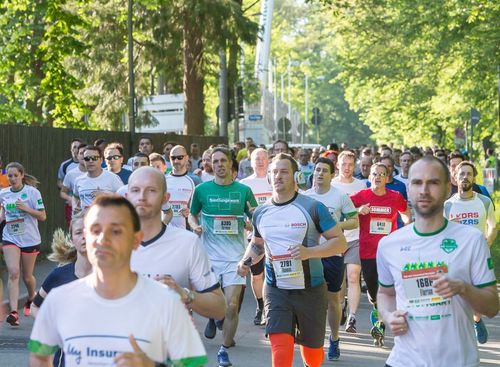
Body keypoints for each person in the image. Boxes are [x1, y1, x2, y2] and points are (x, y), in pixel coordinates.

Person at [28, 195, 207, 367]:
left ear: (136, 240)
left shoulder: (165, 302)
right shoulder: (58, 298)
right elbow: (39, 358)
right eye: (95, 230)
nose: (103, 239)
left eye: (115, 231)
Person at [377, 156, 498, 367]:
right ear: (409, 188)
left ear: (446, 189)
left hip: (458, 361)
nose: (424, 190)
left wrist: (462, 288)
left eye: (433, 182)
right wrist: (388, 316)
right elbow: (385, 293)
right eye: (417, 182)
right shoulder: (389, 244)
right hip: (403, 361)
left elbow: (492, 307)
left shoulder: (471, 239)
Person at [237, 153, 347, 367]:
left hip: (311, 290)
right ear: (269, 177)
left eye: (284, 171)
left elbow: (340, 243)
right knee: (280, 350)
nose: (278, 176)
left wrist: (309, 252)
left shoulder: (313, 207)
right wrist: (245, 261)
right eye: (274, 172)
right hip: (276, 290)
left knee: (313, 356)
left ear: (296, 176)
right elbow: (258, 243)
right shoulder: (260, 212)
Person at [189, 147, 257, 367]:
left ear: (230, 164)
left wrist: (250, 224)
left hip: (235, 257)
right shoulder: (202, 190)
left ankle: (223, 349)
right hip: (208, 257)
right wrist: (195, 226)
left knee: (232, 305)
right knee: (215, 302)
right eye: (215, 161)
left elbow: (255, 217)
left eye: (223, 161)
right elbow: (192, 214)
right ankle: (213, 316)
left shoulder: (244, 191)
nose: (219, 165)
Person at [128, 166, 225, 319]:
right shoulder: (110, 243)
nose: (142, 196)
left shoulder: (187, 243)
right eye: (135, 190)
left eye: (151, 190)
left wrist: (184, 294)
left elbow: (219, 308)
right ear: (127, 196)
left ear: (165, 198)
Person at [350, 162, 411, 346]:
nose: (377, 177)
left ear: (387, 178)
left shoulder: (395, 196)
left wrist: (406, 230)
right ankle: (378, 311)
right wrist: (357, 210)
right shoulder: (362, 195)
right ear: (370, 177)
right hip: (368, 251)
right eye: (374, 174)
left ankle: (380, 324)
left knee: (388, 288)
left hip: (389, 252)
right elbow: (343, 210)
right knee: (372, 290)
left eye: (381, 174)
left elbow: (406, 214)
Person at [304, 157, 358, 361]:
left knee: (333, 299)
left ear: (332, 174)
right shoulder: (305, 196)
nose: (319, 174)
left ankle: (334, 338)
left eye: (324, 171)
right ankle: (312, 341)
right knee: (309, 299)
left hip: (332, 254)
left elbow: (354, 220)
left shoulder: (340, 196)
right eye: (317, 170)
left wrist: (335, 227)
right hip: (309, 254)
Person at [444, 160, 497, 344]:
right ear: (455, 178)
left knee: (474, 295)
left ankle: (477, 320)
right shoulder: (448, 205)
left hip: (478, 257)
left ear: (474, 178)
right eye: (461, 174)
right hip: (455, 258)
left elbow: (493, 226)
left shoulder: (484, 201)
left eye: (468, 174)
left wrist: (486, 243)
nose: (465, 177)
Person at [30, 211, 91, 367]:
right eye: (79, 232)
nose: (84, 236)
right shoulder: (59, 276)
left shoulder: (110, 278)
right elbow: (35, 306)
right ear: (72, 239)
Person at [0, 162, 46, 327]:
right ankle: (13, 313)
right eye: (9, 176)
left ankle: (31, 297)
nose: (12, 179)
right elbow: (3, 214)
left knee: (27, 276)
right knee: (13, 272)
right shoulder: (3, 193)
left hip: (30, 239)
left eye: (15, 175)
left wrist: (26, 208)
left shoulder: (32, 192)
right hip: (10, 237)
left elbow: (42, 216)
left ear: (22, 175)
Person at [331, 150, 367, 334]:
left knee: (353, 276)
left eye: (350, 165)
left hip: (355, 237)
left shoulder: (361, 185)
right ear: (337, 164)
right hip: (335, 239)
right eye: (343, 164)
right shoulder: (331, 185)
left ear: (355, 166)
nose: (347, 168)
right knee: (339, 282)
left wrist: (360, 210)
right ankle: (341, 304)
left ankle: (352, 317)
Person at [240, 148, 273, 326]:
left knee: (272, 274)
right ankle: (260, 306)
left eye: (263, 158)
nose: (260, 161)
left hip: (274, 236)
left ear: (268, 160)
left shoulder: (273, 181)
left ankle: (270, 307)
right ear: (251, 162)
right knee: (256, 276)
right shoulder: (245, 184)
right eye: (256, 159)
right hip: (253, 236)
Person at [72, 146, 123, 212]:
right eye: (87, 158)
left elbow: (124, 197)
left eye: (94, 158)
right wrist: (74, 205)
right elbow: (75, 196)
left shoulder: (112, 178)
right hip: (85, 219)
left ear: (101, 160)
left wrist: (105, 195)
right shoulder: (79, 180)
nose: (90, 161)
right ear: (84, 161)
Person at [166, 145, 199, 229]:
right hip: (165, 231)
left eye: (180, 157)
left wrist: (190, 212)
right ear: (169, 158)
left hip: (186, 232)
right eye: (173, 158)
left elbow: (201, 209)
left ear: (187, 158)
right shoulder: (162, 180)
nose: (176, 160)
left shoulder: (195, 180)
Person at [57, 139, 82, 223]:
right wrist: (69, 189)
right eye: (74, 147)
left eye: (79, 147)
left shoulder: (88, 163)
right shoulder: (65, 165)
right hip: (71, 202)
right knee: (72, 227)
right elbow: (60, 182)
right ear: (71, 149)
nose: (77, 149)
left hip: (86, 202)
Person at [60, 143, 88, 220]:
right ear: (77, 156)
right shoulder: (71, 174)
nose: (84, 155)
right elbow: (63, 192)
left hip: (92, 212)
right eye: (81, 153)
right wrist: (71, 199)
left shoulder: (97, 173)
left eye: (86, 152)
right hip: (76, 211)